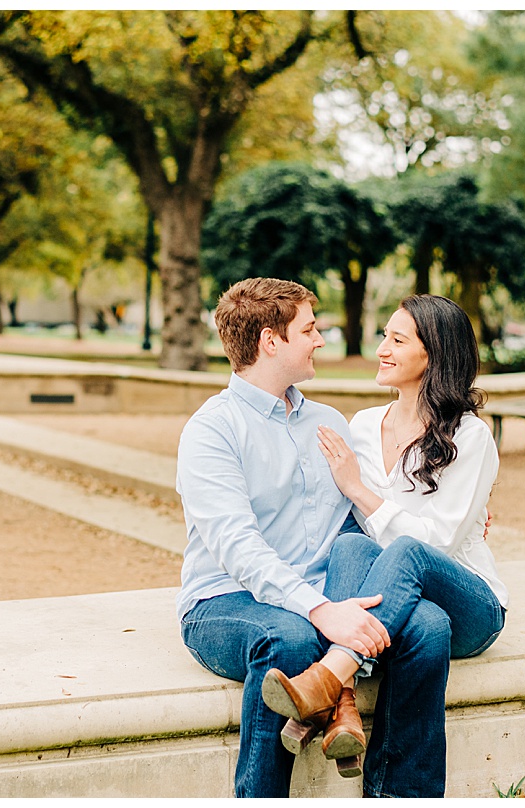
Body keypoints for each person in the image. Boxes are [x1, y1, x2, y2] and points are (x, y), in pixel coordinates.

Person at [177, 277, 428, 797]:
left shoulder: (327, 421)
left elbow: (356, 514)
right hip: (226, 600)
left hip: (319, 598)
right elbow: (237, 548)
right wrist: (321, 610)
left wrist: (454, 516)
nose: (320, 339)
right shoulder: (213, 430)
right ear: (271, 341)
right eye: (309, 329)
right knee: (289, 639)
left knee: (426, 625)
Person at [260, 293, 508, 797]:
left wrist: (359, 489)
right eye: (384, 337)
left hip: (471, 603)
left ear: (434, 355)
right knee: (377, 573)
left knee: (409, 553)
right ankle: (355, 725)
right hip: (405, 607)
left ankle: (330, 679)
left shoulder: (471, 437)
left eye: (398, 340)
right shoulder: (363, 426)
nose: (381, 349)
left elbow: (437, 542)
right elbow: (340, 525)